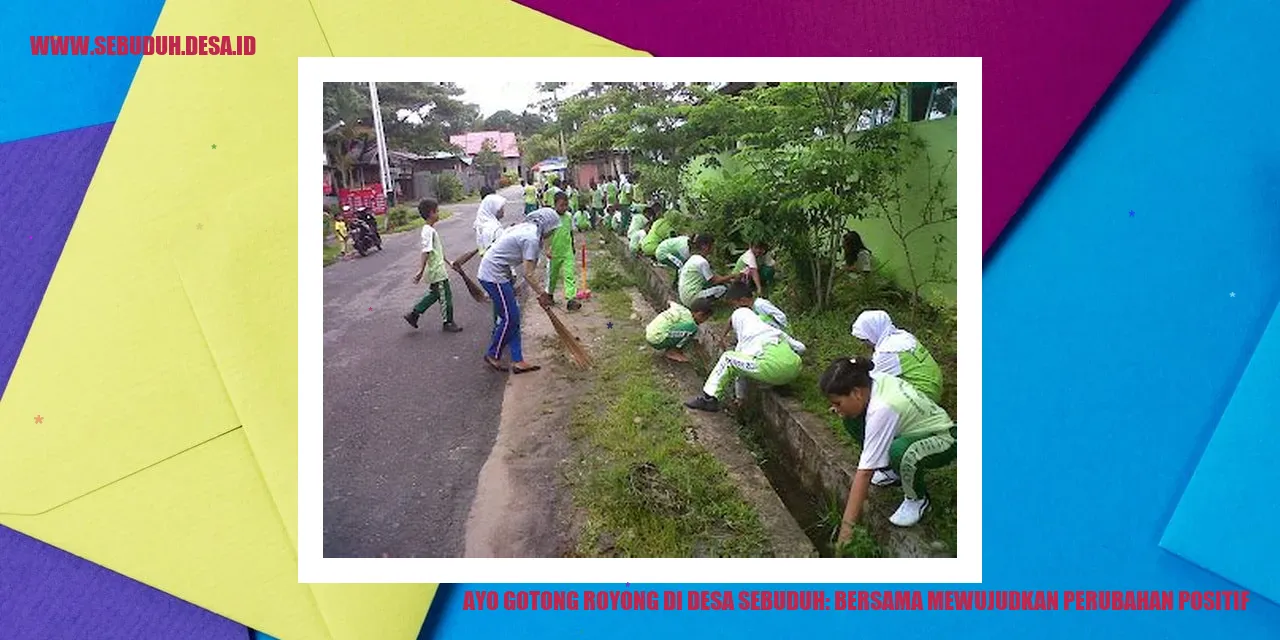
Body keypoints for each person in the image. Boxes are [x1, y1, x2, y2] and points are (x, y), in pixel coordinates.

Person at [819, 356, 956, 535]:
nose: (835, 408)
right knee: (851, 419)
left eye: (837, 403)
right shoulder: (872, 380)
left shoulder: (882, 408)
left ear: (856, 393)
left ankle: (917, 499)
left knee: (900, 451)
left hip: (943, 438)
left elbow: (865, 473)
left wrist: (846, 532)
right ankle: (891, 470)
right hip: (909, 432)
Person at [685, 282, 803, 413]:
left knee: (728, 358)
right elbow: (801, 348)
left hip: (772, 369)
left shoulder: (745, 340)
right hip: (795, 368)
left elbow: (738, 372)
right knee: (773, 363)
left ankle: (709, 399)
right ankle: (782, 382)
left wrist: (740, 397)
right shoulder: (773, 330)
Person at [476, 208, 559, 374]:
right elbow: (528, 274)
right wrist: (542, 293)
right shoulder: (531, 238)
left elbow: (526, 271)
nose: (553, 233)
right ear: (548, 226)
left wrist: (520, 287)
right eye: (553, 229)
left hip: (499, 274)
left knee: (512, 318)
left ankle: (518, 360)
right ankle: (493, 354)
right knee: (510, 318)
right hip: (493, 275)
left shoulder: (527, 229)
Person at [850, 310, 943, 404]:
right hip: (932, 387)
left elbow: (869, 379)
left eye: (864, 339)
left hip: (922, 396)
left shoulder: (888, 351)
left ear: (873, 332)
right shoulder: (903, 337)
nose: (864, 344)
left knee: (872, 393)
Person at [403, 199, 463, 333]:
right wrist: (420, 270)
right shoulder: (428, 231)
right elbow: (426, 251)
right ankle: (448, 322)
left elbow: (437, 251)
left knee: (436, 294)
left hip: (438, 269)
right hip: (437, 271)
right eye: (437, 211)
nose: (439, 213)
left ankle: (414, 314)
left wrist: (450, 262)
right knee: (445, 297)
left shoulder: (430, 230)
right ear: (431, 213)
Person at [544, 192, 581, 311]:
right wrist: (547, 249)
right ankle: (549, 295)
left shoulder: (569, 216)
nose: (564, 208)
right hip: (554, 252)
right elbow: (545, 236)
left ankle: (571, 299)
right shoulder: (550, 218)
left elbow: (570, 232)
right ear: (554, 205)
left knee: (569, 274)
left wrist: (573, 246)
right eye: (561, 205)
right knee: (552, 276)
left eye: (566, 205)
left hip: (567, 251)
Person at [646, 298, 713, 363]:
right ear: (700, 314)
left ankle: (672, 348)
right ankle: (673, 352)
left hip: (650, 332)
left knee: (678, 327)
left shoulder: (680, 308)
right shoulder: (690, 322)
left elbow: (670, 302)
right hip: (657, 340)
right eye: (705, 318)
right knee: (693, 329)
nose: (704, 321)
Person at [677, 234, 735, 307]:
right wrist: (733, 276)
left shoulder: (693, 258)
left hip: (685, 297)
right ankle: (704, 306)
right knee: (722, 289)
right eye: (712, 246)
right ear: (705, 246)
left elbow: (713, 275)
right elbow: (714, 281)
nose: (713, 248)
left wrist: (728, 279)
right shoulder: (702, 262)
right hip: (692, 299)